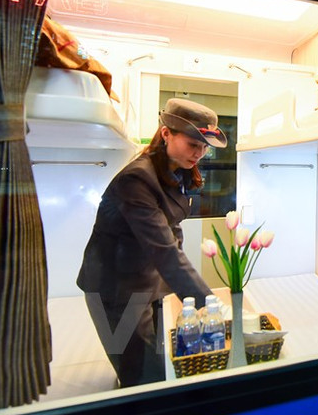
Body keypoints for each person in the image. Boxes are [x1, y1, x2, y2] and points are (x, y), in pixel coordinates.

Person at [76, 98, 226, 387]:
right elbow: (164, 250)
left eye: (204, 146)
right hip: (116, 289)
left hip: (146, 281)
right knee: (144, 379)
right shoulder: (137, 179)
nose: (200, 153)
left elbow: (173, 233)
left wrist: (190, 297)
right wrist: (209, 304)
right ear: (166, 133)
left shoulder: (176, 172)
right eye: (193, 144)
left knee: (154, 366)